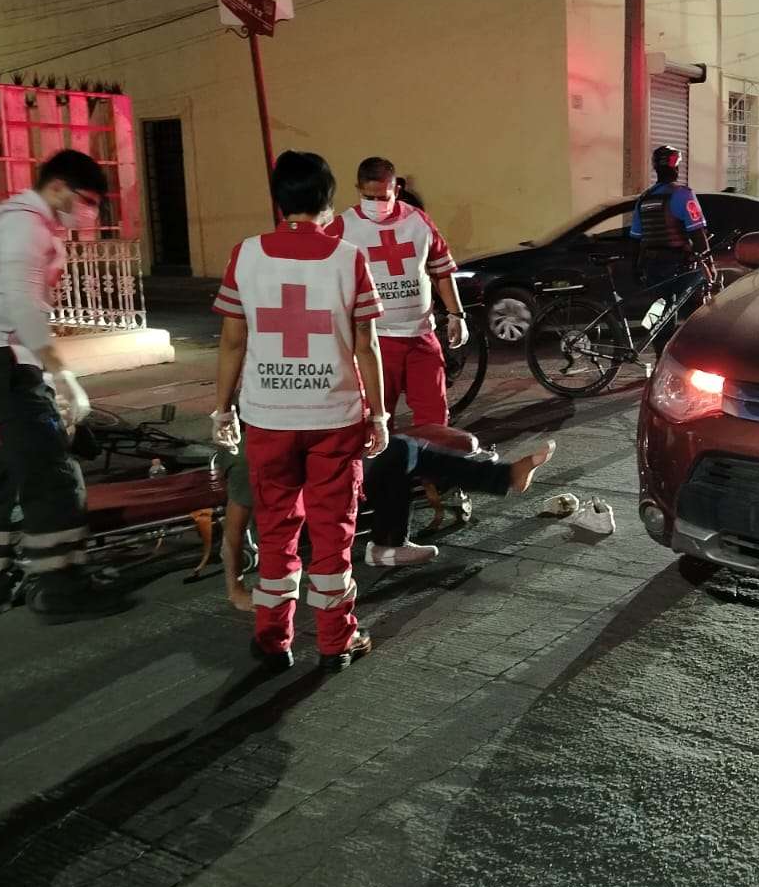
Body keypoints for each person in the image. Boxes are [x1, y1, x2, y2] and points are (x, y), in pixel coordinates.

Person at [211, 150, 388, 674]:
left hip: (268, 417)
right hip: (334, 417)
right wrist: (379, 414)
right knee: (333, 532)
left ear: (279, 199)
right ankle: (336, 641)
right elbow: (366, 344)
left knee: (276, 529)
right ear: (328, 200)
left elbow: (232, 342)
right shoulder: (348, 258)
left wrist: (221, 409)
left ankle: (273, 641)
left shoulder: (244, 255)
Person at [0, 149, 127, 623]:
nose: (90, 212)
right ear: (58, 187)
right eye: (87, 200)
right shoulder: (28, 227)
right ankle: (62, 587)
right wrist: (62, 376)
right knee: (53, 475)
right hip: (0, 360)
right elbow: (23, 308)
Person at [219, 434, 557, 607]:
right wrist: (236, 590)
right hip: (310, 528)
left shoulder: (294, 430)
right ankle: (386, 546)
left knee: (399, 451)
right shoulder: (251, 460)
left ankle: (389, 544)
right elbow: (232, 533)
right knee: (398, 454)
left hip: (329, 499)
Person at [333, 156, 466, 429]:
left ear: (396, 189)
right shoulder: (342, 228)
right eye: (368, 197)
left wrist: (457, 315)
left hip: (421, 337)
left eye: (383, 196)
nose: (376, 203)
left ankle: (433, 456)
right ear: (358, 189)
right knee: (378, 420)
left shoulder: (418, 222)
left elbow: (441, 271)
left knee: (435, 418)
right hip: (374, 342)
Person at [629, 144, 714, 301]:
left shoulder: (643, 199)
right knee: (690, 307)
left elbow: (635, 239)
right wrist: (709, 264)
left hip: (651, 267)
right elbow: (698, 234)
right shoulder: (683, 194)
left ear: (656, 169)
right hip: (678, 266)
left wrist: (635, 268)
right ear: (676, 168)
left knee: (660, 308)